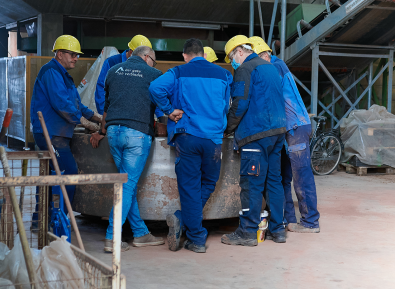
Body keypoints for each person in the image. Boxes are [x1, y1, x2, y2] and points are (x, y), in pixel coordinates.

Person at [92, 45, 182, 253]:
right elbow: (162, 102)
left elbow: (106, 107)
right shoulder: (154, 74)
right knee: (127, 185)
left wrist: (101, 131)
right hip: (137, 134)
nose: (154, 64)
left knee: (127, 184)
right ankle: (112, 237)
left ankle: (140, 233)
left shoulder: (113, 71)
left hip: (113, 132)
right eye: (154, 61)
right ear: (148, 57)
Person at [149, 38, 232, 254]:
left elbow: (155, 87)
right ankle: (188, 224)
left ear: (185, 56)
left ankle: (193, 234)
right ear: (204, 54)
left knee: (190, 187)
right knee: (209, 183)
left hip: (188, 136)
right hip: (213, 139)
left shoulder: (179, 72)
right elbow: (227, 105)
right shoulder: (224, 75)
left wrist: (169, 110)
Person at [220, 35, 287, 247]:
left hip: (256, 134)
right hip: (277, 132)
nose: (232, 62)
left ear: (240, 51)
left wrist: (227, 129)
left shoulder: (245, 70)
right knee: (274, 181)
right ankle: (278, 230)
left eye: (232, 56)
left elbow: (239, 104)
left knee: (251, 183)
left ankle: (247, 232)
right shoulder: (270, 67)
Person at [249, 36, 320, 233]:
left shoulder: (275, 66)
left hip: (295, 127)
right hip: (286, 129)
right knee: (283, 177)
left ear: (262, 54)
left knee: (301, 175)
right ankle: (290, 220)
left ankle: (311, 221)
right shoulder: (274, 65)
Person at [30, 35, 103, 205]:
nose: (76, 59)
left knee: (47, 176)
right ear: (60, 54)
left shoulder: (64, 76)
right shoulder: (51, 73)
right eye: (72, 54)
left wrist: (97, 118)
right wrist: (84, 122)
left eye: (77, 55)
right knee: (68, 171)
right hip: (50, 134)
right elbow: (62, 103)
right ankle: (62, 218)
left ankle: (40, 220)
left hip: (57, 133)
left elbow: (77, 104)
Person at [93, 34, 152, 115]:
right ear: (131, 52)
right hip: (113, 114)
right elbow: (101, 88)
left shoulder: (143, 66)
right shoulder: (112, 62)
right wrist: (104, 114)